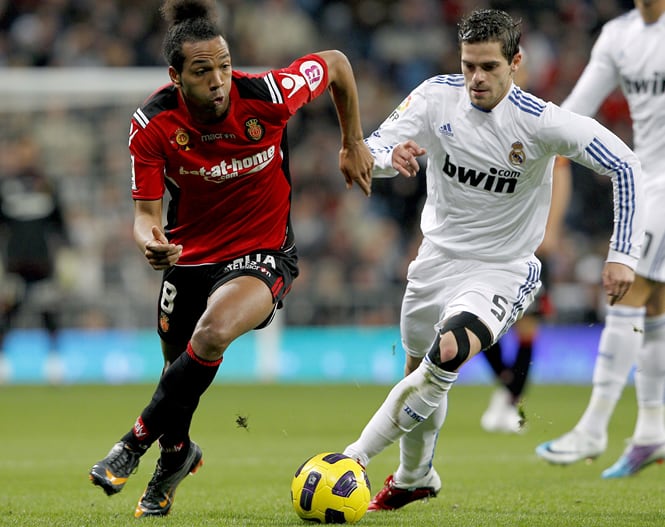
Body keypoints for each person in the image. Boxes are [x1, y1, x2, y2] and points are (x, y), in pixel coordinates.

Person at [342, 8, 644, 511]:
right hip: (435, 261)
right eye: (468, 66)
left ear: (516, 62)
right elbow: (372, 145)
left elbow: (625, 163)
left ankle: (351, 459)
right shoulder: (436, 96)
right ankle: (416, 476)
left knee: (447, 353)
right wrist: (384, 162)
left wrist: (622, 254)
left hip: (502, 268)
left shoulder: (541, 122)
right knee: (419, 373)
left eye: (488, 67)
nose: (476, 79)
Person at [88, 0, 373, 518]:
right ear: (176, 76)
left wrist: (352, 140)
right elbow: (144, 214)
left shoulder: (267, 94)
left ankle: (131, 445)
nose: (218, 80)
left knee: (212, 334)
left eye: (223, 65)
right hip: (189, 255)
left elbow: (335, 63)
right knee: (179, 368)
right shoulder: (151, 126)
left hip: (262, 253)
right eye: (202, 71)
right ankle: (176, 454)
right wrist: (150, 242)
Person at [535, 0, 665, 478]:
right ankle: (652, 431)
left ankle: (593, 426)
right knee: (653, 308)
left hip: (661, 189)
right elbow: (573, 114)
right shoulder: (618, 36)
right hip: (647, 177)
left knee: (629, 293)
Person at [480, 157, 570, 433]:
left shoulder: (543, 129)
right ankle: (508, 391)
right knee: (480, 319)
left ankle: (510, 402)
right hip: (493, 238)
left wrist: (551, 230)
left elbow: (561, 176)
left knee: (527, 324)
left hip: (531, 241)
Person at [0, 135, 70, 384]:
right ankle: (3, 362)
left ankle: (54, 363)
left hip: (42, 263)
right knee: (8, 313)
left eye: (30, 151)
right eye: (21, 151)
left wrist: (67, 255)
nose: (26, 156)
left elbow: (60, 225)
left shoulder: (47, 184)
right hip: (15, 262)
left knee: (48, 312)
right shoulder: (6, 185)